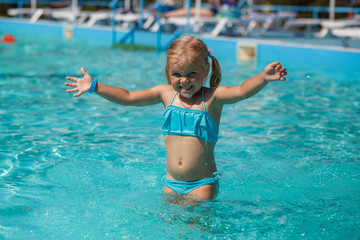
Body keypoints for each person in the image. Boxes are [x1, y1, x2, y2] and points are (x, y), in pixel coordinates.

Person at [65, 36, 287, 201]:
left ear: (206, 69)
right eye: (177, 74)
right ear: (168, 72)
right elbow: (128, 97)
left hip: (202, 185)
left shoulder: (212, 98)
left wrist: (263, 78)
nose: (185, 81)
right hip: (170, 183)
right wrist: (95, 86)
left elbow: (241, 91)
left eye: (192, 74)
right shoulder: (165, 94)